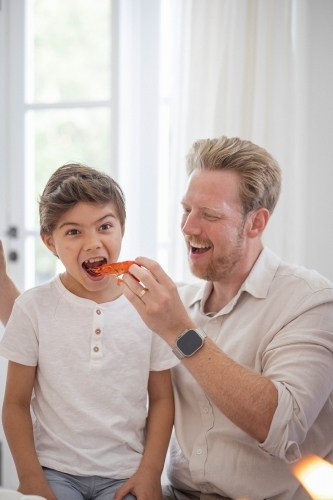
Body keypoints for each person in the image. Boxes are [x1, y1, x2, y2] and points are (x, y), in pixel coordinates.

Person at [115, 137, 333, 500]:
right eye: (186, 210)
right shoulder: (179, 303)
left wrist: (180, 331)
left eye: (210, 215)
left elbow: (284, 426)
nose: (188, 227)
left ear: (255, 223)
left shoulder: (310, 302)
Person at [0, 164, 177, 500]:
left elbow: (163, 399)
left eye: (105, 226)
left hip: (125, 474)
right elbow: (15, 403)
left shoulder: (149, 306)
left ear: (122, 229)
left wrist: (150, 473)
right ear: (49, 241)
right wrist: (31, 479)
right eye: (73, 232)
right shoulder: (32, 308)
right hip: (55, 472)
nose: (93, 242)